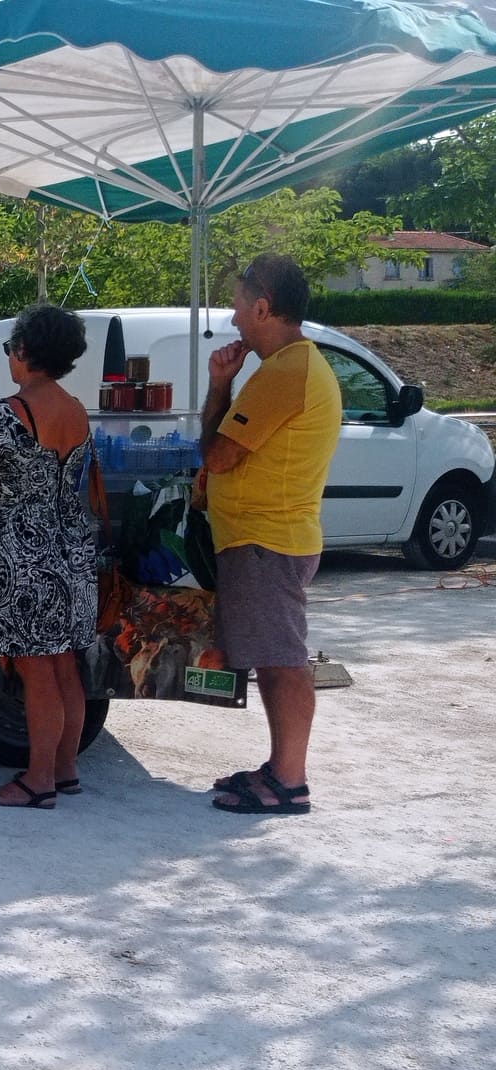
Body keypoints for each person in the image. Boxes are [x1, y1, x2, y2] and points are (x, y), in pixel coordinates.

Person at [200, 254, 340, 815]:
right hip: (264, 536)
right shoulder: (285, 368)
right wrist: (223, 384)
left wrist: (218, 390)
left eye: (237, 307)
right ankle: (280, 767)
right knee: (273, 659)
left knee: (282, 662)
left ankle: (290, 780)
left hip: (268, 538)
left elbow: (218, 454)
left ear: (262, 307)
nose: (233, 320)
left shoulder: (286, 371)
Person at [0, 304, 99, 811]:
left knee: (35, 671)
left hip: (24, 557)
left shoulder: (6, 415)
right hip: (73, 553)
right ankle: (65, 769)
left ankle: (37, 781)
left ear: (22, 352)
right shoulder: (78, 410)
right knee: (65, 668)